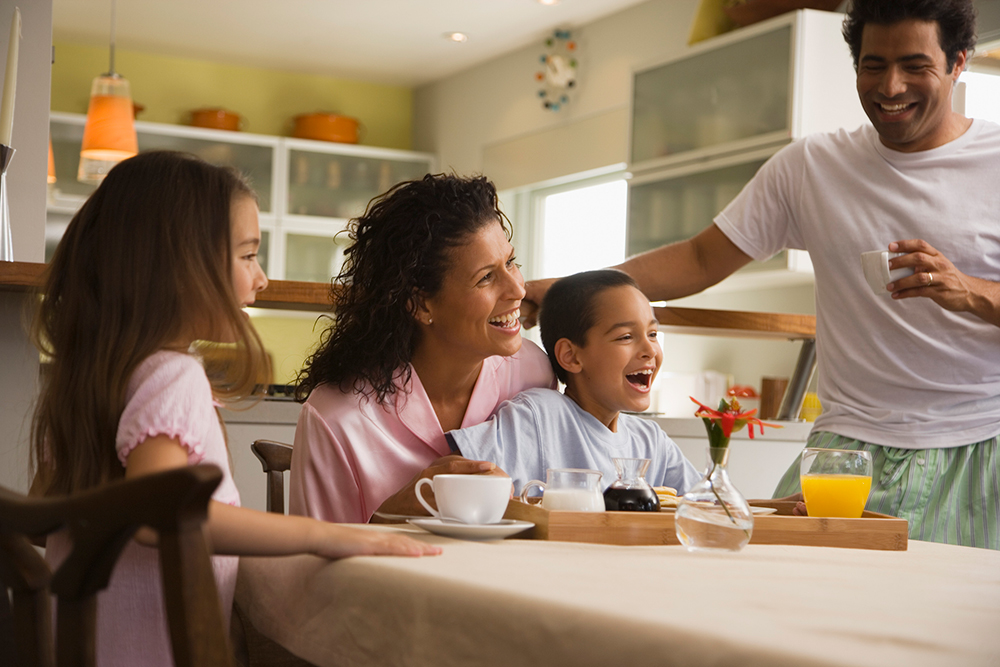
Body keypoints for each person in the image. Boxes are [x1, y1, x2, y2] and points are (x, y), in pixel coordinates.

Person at [526, 0, 1000, 549]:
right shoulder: (812, 167)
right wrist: (563, 288)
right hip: (845, 455)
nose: (890, 86)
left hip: (980, 446)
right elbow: (701, 259)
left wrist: (971, 292)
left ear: (958, 62)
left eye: (915, 66)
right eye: (873, 65)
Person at [29, 151, 440, 667]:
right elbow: (159, 515)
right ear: (178, 266)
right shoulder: (170, 375)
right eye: (248, 255)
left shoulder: (88, 381)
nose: (262, 277)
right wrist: (327, 534)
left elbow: (43, 522)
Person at [290, 174, 556, 523]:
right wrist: (390, 516)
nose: (517, 290)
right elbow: (312, 567)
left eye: (510, 262)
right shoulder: (337, 417)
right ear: (421, 304)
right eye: (486, 277)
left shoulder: (534, 375)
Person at [447, 270, 700, 497]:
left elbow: (709, 508)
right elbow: (457, 475)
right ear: (571, 356)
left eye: (653, 334)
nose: (649, 350)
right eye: (625, 337)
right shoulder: (540, 415)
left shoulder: (651, 441)